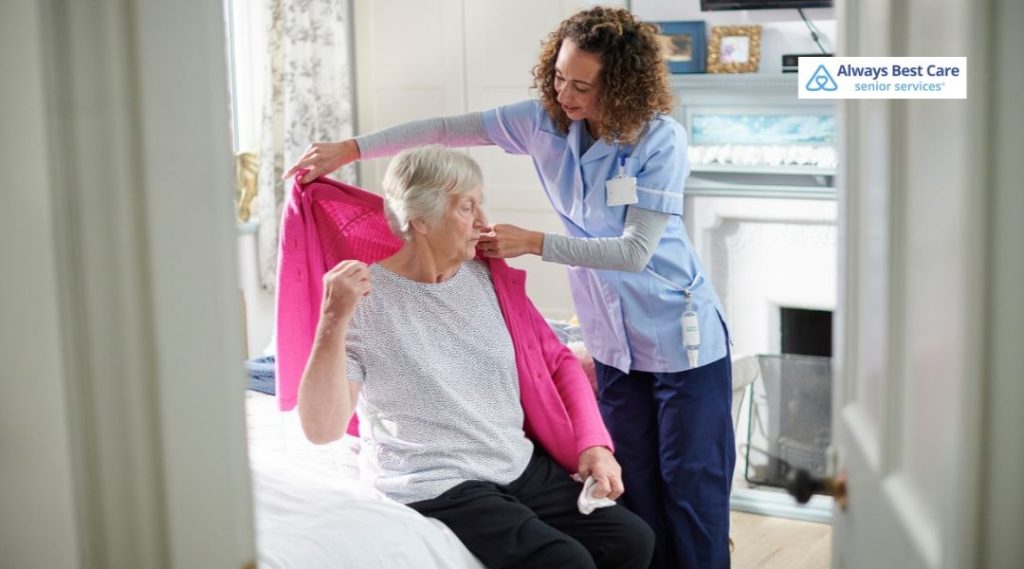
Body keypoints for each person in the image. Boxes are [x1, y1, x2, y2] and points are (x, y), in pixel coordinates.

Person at [286, 8, 734, 568]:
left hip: (678, 333)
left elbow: (634, 252)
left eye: (582, 85)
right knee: (638, 493)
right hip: (612, 339)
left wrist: (533, 242)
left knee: (692, 495)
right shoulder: (543, 122)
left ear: (618, 87)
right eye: (559, 77)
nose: (564, 94)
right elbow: (445, 129)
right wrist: (352, 148)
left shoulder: (658, 140)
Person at [297, 145, 654, 569]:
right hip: (434, 477)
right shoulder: (366, 302)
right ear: (421, 219)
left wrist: (595, 445)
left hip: (509, 460)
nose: (484, 222)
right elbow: (321, 430)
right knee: (564, 561)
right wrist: (332, 318)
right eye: (468, 207)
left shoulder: (488, 277)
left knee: (631, 538)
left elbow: (557, 361)